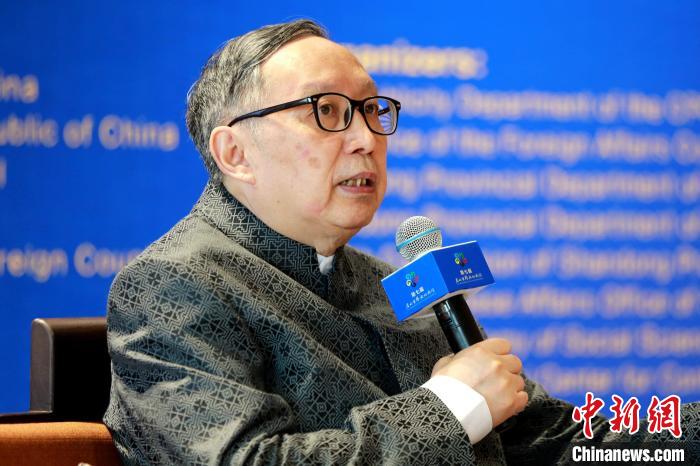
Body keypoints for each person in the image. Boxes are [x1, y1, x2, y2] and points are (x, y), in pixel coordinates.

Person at [104, 19, 699, 465]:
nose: (366, 137)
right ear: (235, 153)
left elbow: (554, 444)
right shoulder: (172, 284)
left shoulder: (387, 281)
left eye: (372, 109)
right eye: (327, 110)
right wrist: (450, 409)